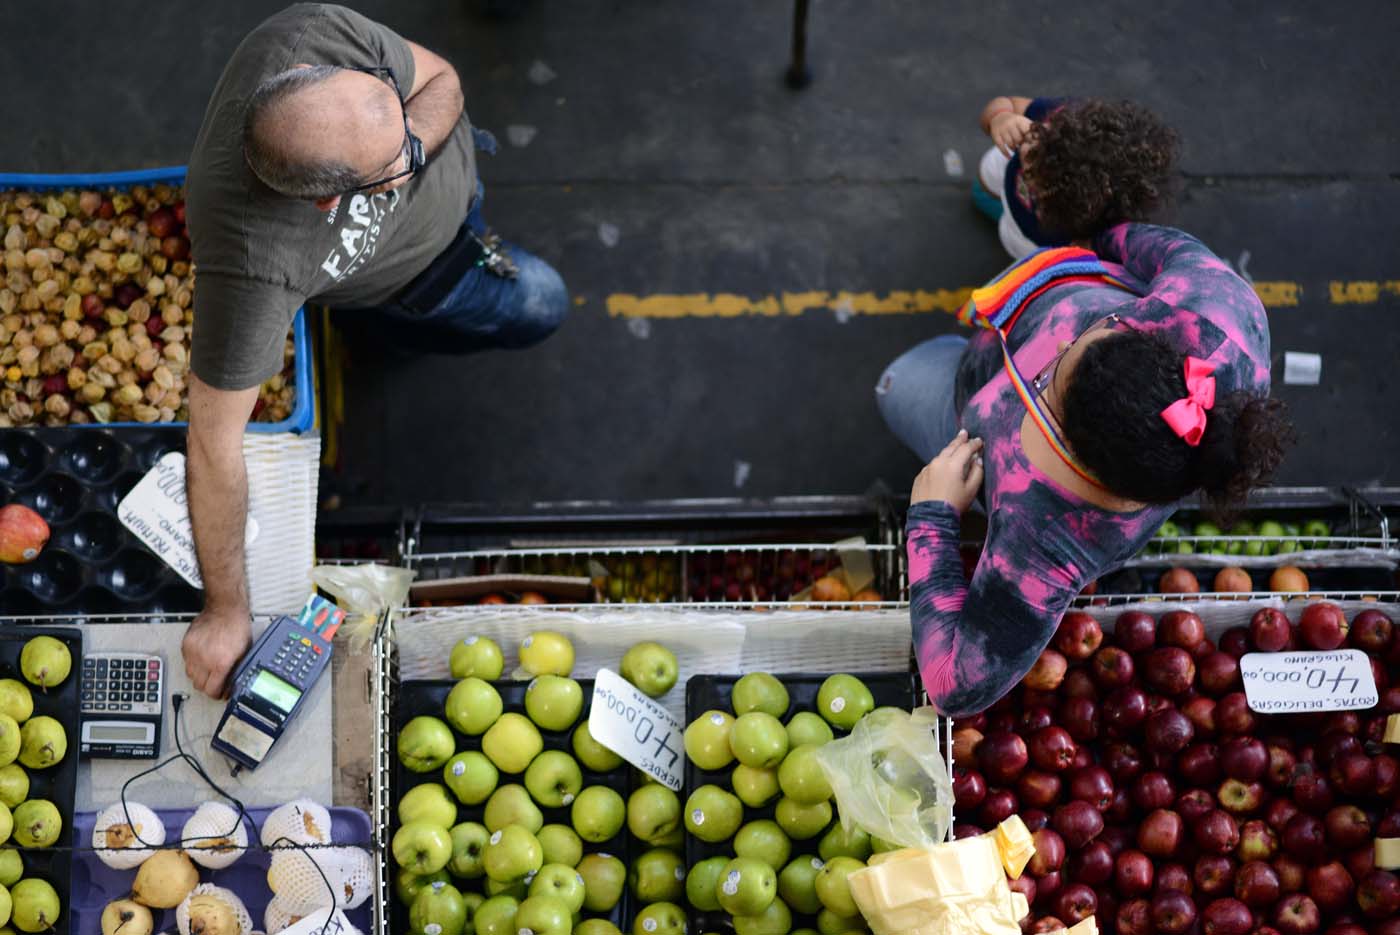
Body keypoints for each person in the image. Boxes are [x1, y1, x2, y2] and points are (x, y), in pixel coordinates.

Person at [181, 3, 568, 698]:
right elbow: (213, 443)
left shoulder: (313, 33)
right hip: (430, 280)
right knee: (542, 305)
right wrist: (225, 609)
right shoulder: (250, 265)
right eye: (392, 166)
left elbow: (442, 79)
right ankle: (396, 325)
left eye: (387, 103)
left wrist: (414, 141)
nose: (409, 158)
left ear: (312, 72)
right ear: (332, 204)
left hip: (461, 211)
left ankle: (392, 323)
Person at [875, 223, 1293, 717]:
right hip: (992, 344)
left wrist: (934, 517)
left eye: (1049, 383)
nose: (1052, 353)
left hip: (956, 400)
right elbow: (1141, 240)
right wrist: (1094, 237)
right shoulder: (1219, 310)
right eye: (1104, 326)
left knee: (895, 383)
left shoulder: (1048, 538)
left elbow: (952, 685)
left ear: (1077, 452)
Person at [973, 94, 1179, 259]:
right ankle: (989, 194)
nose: (1026, 147)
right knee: (986, 178)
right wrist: (1000, 117)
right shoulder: (1061, 116)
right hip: (1006, 166)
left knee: (1010, 235)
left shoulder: (1087, 228)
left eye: (1034, 172)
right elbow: (1006, 103)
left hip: (1029, 237)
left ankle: (1000, 214)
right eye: (1040, 136)